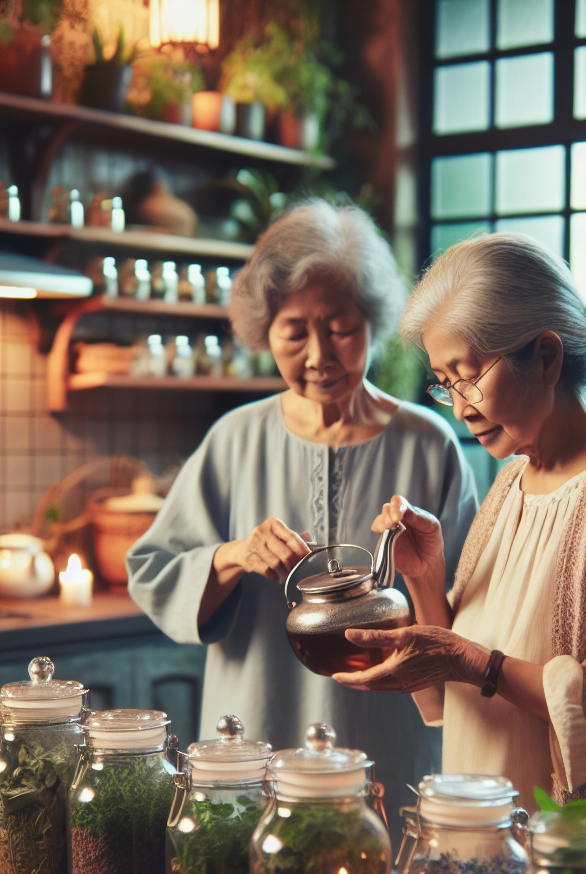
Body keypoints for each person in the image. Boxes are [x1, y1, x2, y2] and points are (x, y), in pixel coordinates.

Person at [334, 233, 586, 874]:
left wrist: (466, 658)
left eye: (469, 374)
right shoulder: (509, 484)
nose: (459, 403)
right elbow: (468, 685)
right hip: (479, 855)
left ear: (545, 354)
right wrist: (427, 582)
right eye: (444, 383)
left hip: (574, 872)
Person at [126, 199, 478, 834]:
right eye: (294, 331)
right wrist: (230, 557)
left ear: (372, 321)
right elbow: (151, 569)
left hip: (389, 739)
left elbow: (473, 612)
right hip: (256, 728)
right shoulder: (234, 439)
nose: (319, 354)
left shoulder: (430, 443)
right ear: (266, 331)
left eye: (341, 327)